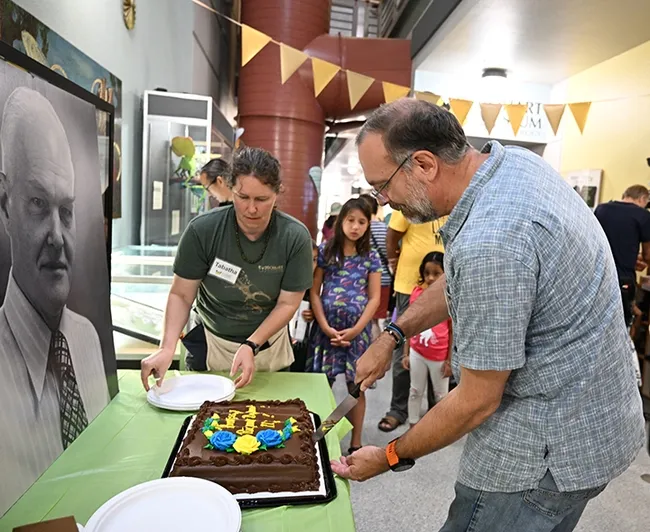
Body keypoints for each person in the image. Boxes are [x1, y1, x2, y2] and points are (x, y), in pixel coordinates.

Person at [331, 98, 645, 532]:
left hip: (544, 454)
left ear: (423, 164)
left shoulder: (492, 241)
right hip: (591, 421)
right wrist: (394, 336)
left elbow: (476, 401)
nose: (384, 202)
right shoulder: (507, 165)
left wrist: (388, 455)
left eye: (383, 186)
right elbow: (460, 276)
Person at [0, 87, 109, 516]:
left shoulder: (86, 339)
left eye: (66, 211)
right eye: (37, 204)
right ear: (5, 204)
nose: (57, 236)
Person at [141, 147, 313, 391]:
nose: (251, 209)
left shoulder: (294, 237)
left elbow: (288, 303)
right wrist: (166, 348)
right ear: (230, 189)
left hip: (268, 346)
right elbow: (181, 294)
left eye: (262, 199)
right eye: (243, 197)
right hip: (213, 342)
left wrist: (252, 344)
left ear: (277, 194)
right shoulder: (203, 231)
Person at [308, 198, 382, 453]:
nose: (355, 226)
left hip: (356, 333)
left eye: (362, 221)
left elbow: (374, 299)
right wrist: (325, 326)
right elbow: (315, 292)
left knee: (356, 388)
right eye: (350, 220)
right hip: (325, 331)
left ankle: (355, 441)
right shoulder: (327, 251)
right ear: (341, 222)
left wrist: (357, 329)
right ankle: (321, 435)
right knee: (322, 385)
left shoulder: (370, 256)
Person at [377, 209, 446, 432]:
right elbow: (392, 236)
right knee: (404, 349)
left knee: (441, 342)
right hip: (411, 286)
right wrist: (393, 261)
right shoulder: (413, 201)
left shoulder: (454, 201)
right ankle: (398, 409)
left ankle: (437, 412)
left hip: (446, 285)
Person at [402, 252, 452, 427]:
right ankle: (413, 424)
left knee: (441, 395)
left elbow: (453, 331)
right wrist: (405, 353)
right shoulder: (416, 293)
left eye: (437, 273)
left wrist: (450, 361)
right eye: (427, 273)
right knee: (415, 391)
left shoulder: (450, 298)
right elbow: (409, 324)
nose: (431, 278)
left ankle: (441, 428)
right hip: (417, 353)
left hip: (439, 357)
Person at [594, 185, 650, 328]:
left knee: (596, 322)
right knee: (621, 326)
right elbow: (647, 255)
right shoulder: (643, 216)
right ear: (643, 198)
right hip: (623, 279)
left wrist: (631, 257)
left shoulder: (601, 209)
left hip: (597, 275)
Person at [360, 194, 392, 333]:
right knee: (376, 319)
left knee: (364, 317)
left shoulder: (361, 229)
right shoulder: (383, 228)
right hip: (383, 278)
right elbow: (388, 253)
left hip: (362, 278)